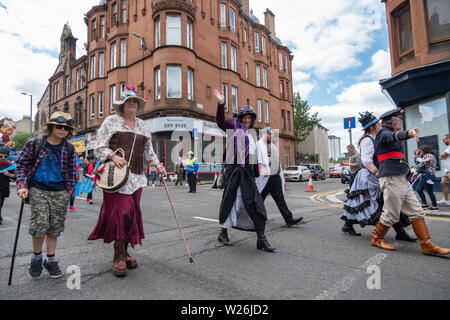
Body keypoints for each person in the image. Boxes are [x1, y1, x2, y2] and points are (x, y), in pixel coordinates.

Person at [88, 87, 165, 277]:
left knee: (130, 215)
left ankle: (125, 251)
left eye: (135, 101)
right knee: (120, 214)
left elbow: (148, 151)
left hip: (137, 178)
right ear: (122, 105)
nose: (133, 103)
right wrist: (113, 156)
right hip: (115, 177)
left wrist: (158, 165)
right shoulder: (111, 122)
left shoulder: (143, 126)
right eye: (129, 101)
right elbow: (98, 148)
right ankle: (118, 256)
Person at [371, 108, 449, 256]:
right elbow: (395, 136)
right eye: (400, 119)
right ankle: (377, 238)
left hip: (401, 178)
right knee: (391, 214)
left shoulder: (388, 134)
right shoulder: (383, 133)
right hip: (391, 178)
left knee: (416, 211)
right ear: (393, 121)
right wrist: (409, 133)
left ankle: (427, 245)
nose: (402, 121)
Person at [16, 112, 77, 278]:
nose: (63, 130)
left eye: (66, 128)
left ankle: (50, 260)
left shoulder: (69, 148)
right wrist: (22, 186)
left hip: (60, 192)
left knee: (54, 228)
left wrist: (69, 191)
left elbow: (73, 172)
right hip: (38, 189)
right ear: (50, 126)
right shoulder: (34, 143)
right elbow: (22, 166)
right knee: (40, 224)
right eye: (59, 126)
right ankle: (36, 257)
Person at [214, 89, 275, 252]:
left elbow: (253, 158)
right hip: (234, 173)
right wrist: (221, 103)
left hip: (247, 176)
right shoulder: (233, 128)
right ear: (240, 118)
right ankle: (223, 233)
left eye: (249, 118)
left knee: (254, 204)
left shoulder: (252, 135)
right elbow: (220, 122)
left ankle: (261, 239)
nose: (247, 120)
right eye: (244, 118)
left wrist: (257, 173)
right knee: (231, 203)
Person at [342, 111, 416, 241]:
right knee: (377, 203)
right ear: (371, 127)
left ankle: (400, 232)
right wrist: (377, 173)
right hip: (370, 175)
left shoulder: (377, 137)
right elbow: (366, 161)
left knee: (384, 202)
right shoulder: (367, 140)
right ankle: (399, 232)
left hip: (377, 174)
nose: (380, 126)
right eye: (377, 124)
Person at [256, 128, 303, 227]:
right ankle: (253, 219)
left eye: (272, 134)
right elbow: (258, 160)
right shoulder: (259, 145)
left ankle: (289, 219)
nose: (271, 136)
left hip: (275, 177)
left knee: (280, 200)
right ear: (264, 134)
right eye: (269, 134)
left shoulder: (273, 146)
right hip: (266, 178)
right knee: (259, 200)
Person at [413, 145, 438, 210]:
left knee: (429, 191)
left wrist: (415, 168)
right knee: (418, 189)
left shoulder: (428, 156)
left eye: (420, 151)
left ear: (423, 151)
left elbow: (421, 165)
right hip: (424, 175)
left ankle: (435, 206)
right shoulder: (429, 155)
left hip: (428, 175)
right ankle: (424, 204)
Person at [0, 146, 15, 225]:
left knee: (1, 203)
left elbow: (16, 176)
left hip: (4, 187)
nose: (3, 158)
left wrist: (9, 174)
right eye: (1, 156)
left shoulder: (10, 165)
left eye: (5, 156)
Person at [438, 133, 450, 206]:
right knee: (443, 183)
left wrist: (443, 155)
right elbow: (440, 157)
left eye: (444, 140)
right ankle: (445, 200)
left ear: (448, 139)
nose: (443, 141)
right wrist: (443, 155)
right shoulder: (448, 148)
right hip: (447, 170)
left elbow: (442, 155)